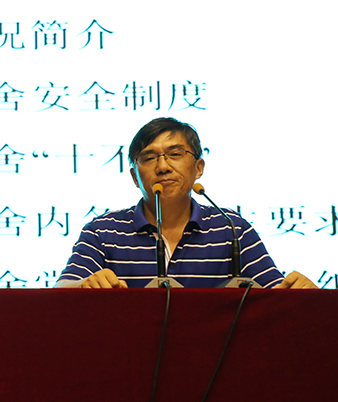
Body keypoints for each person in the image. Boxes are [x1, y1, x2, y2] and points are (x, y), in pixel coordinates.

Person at [56, 118, 316, 289]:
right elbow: (61, 289)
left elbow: (273, 295)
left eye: (175, 154)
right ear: (135, 177)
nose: (163, 167)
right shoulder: (103, 231)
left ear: (198, 168)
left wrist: (298, 291)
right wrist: (83, 285)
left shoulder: (231, 228)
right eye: (149, 158)